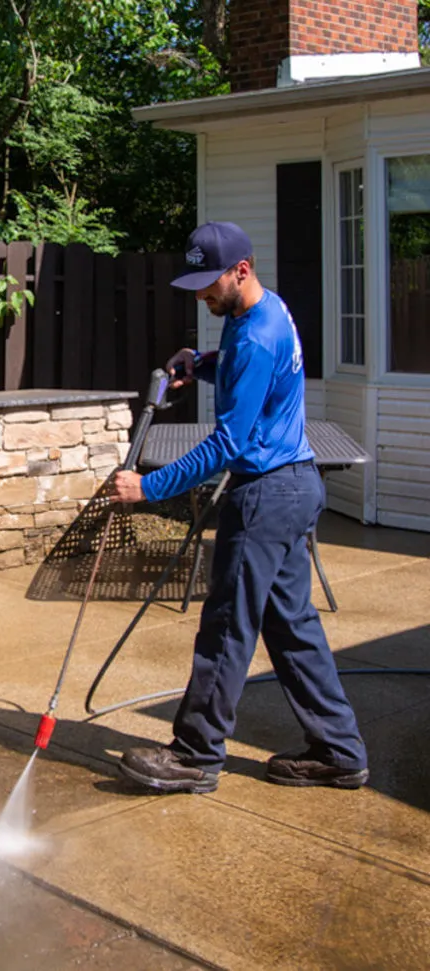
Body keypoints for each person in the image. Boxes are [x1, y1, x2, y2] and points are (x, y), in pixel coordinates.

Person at [111, 220, 368, 794]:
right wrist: (202, 363)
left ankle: (195, 755)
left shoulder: (254, 337)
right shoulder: (262, 312)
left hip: (266, 496)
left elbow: (227, 444)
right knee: (292, 627)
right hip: (295, 485)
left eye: (209, 284)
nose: (201, 295)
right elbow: (255, 372)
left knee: (227, 625)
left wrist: (149, 488)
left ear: (241, 271)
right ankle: (339, 751)